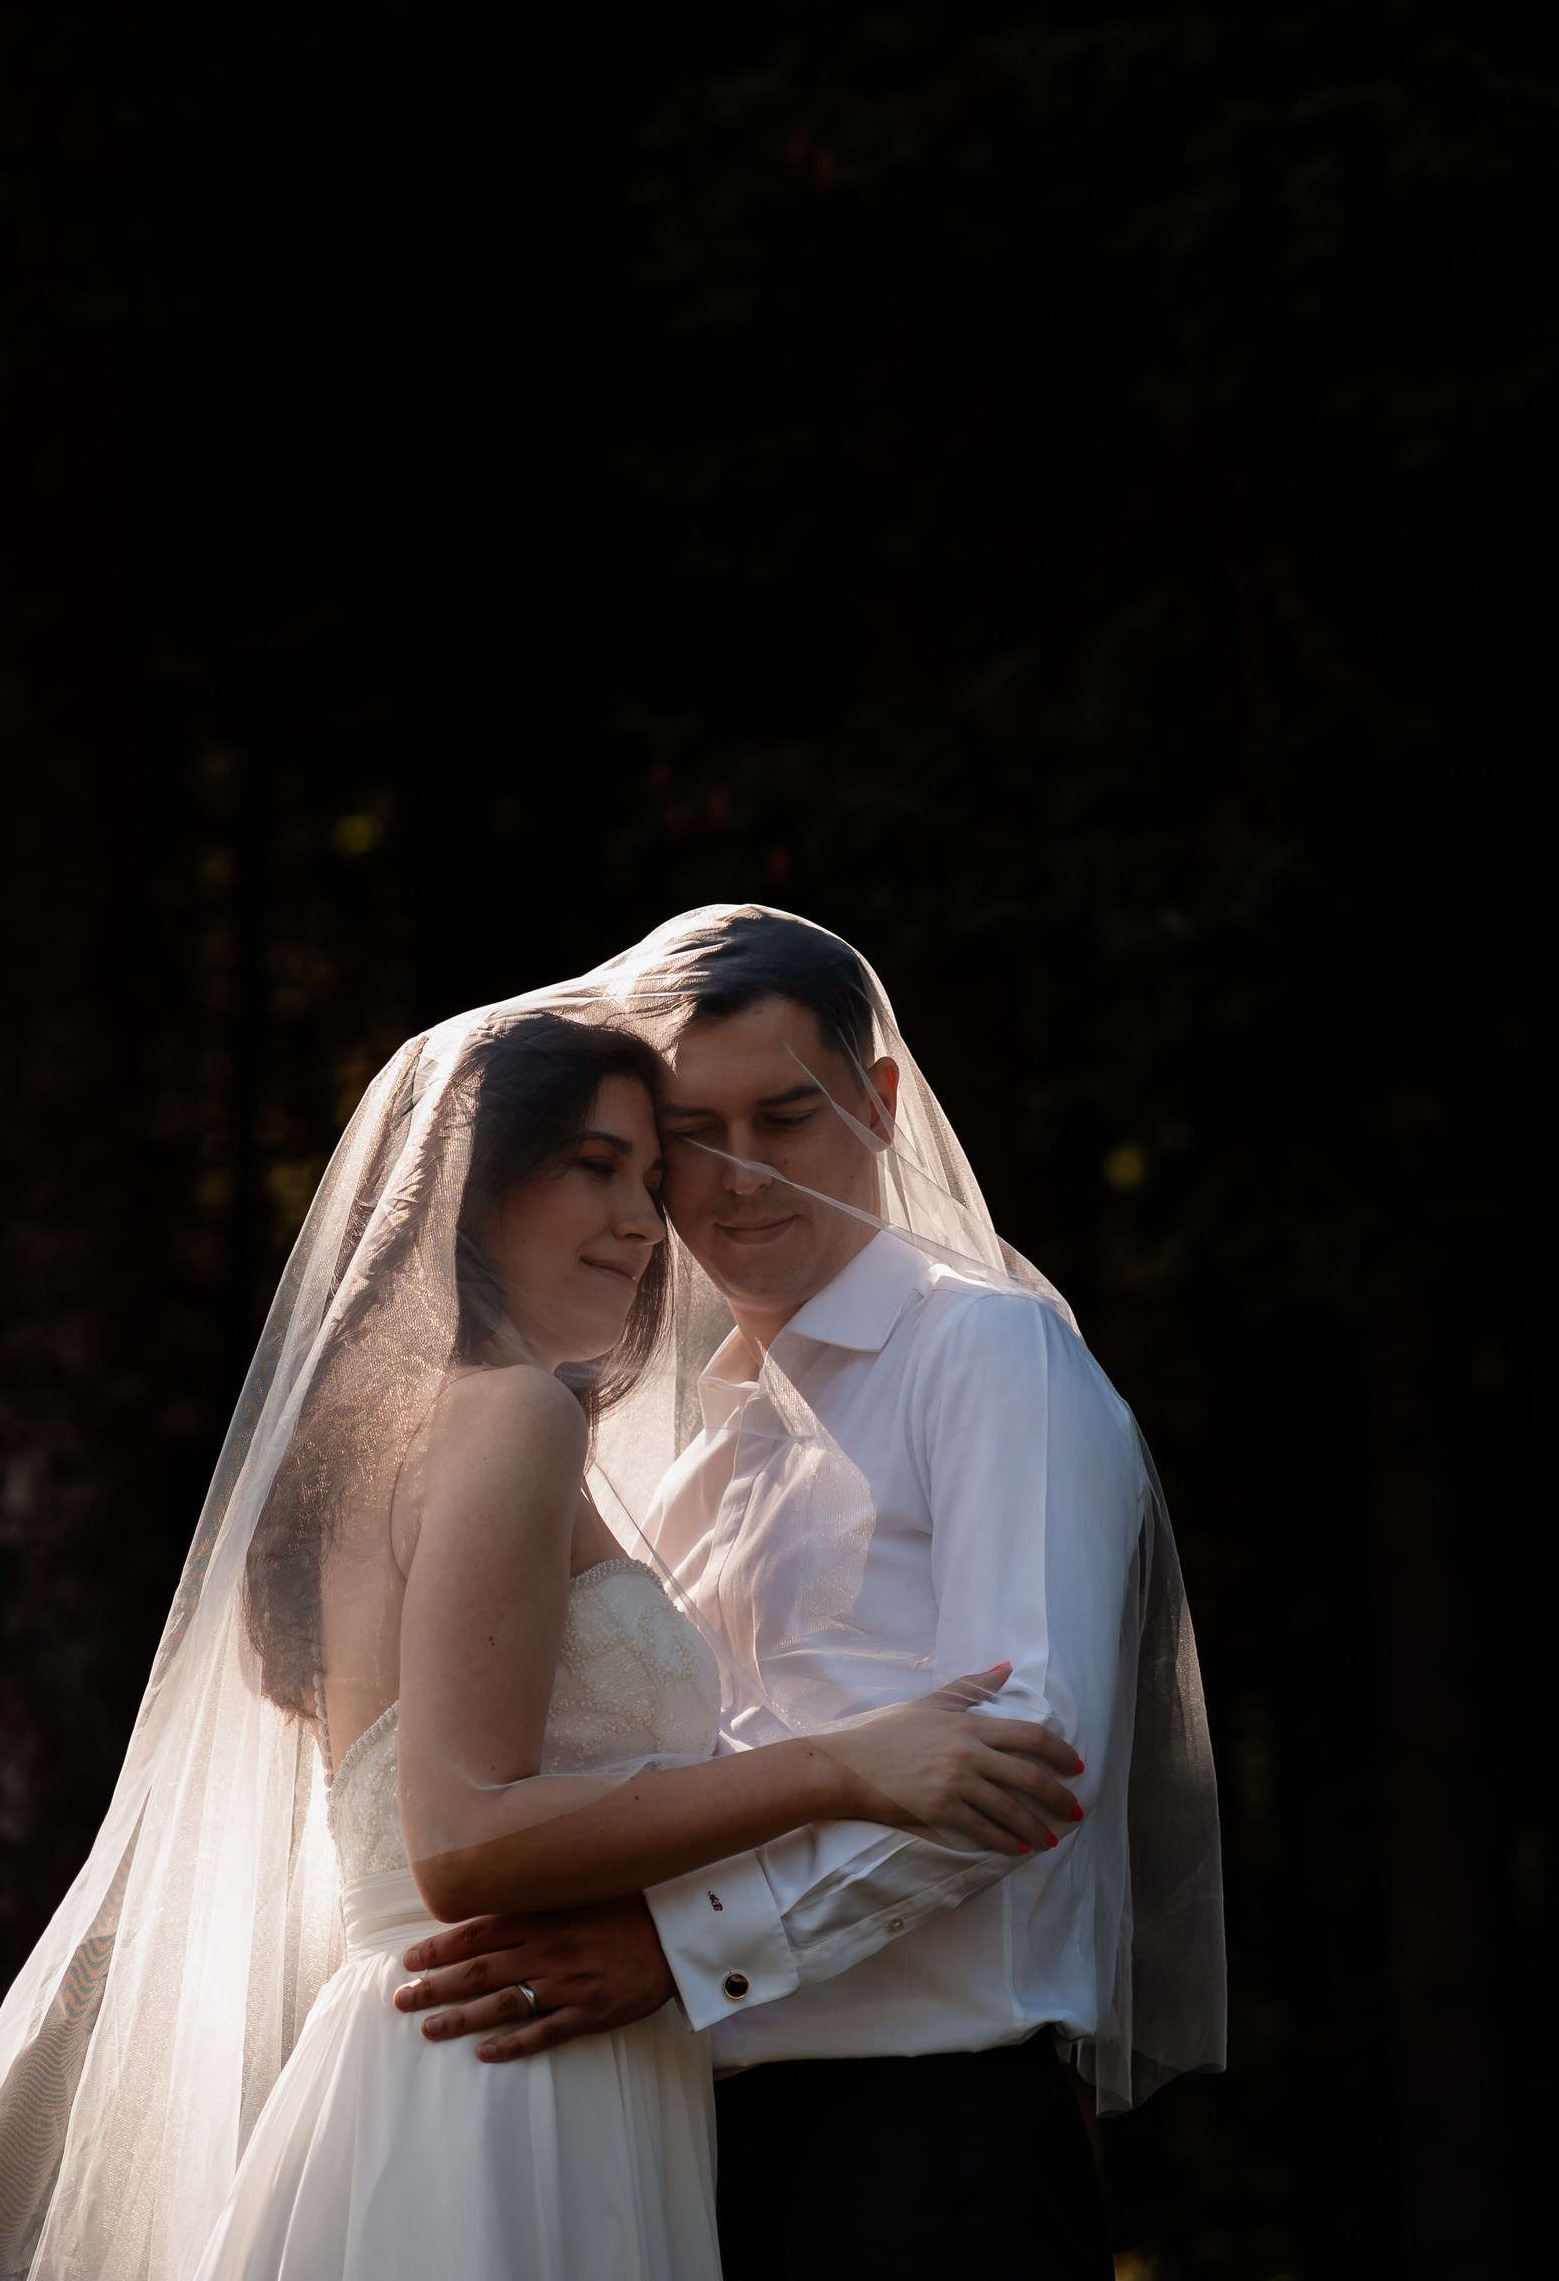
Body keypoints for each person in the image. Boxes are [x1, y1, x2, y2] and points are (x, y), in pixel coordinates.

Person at [0, 995, 1083, 2281]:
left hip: (448, 2050)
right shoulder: (514, 1416)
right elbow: (456, 1839)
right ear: (471, 1190)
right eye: (593, 1166)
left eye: (648, 1179)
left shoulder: (385, 1435)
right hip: (511, 2078)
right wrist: (840, 1765)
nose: (643, 1220)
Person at [395, 907, 1226, 2281]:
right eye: (691, 1137)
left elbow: (1029, 1757)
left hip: (923, 2141)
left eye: (784, 1117)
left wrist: (680, 1948)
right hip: (689, 2143)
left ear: (879, 1100)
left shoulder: (987, 1356)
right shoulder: (681, 1459)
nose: (737, 1177)